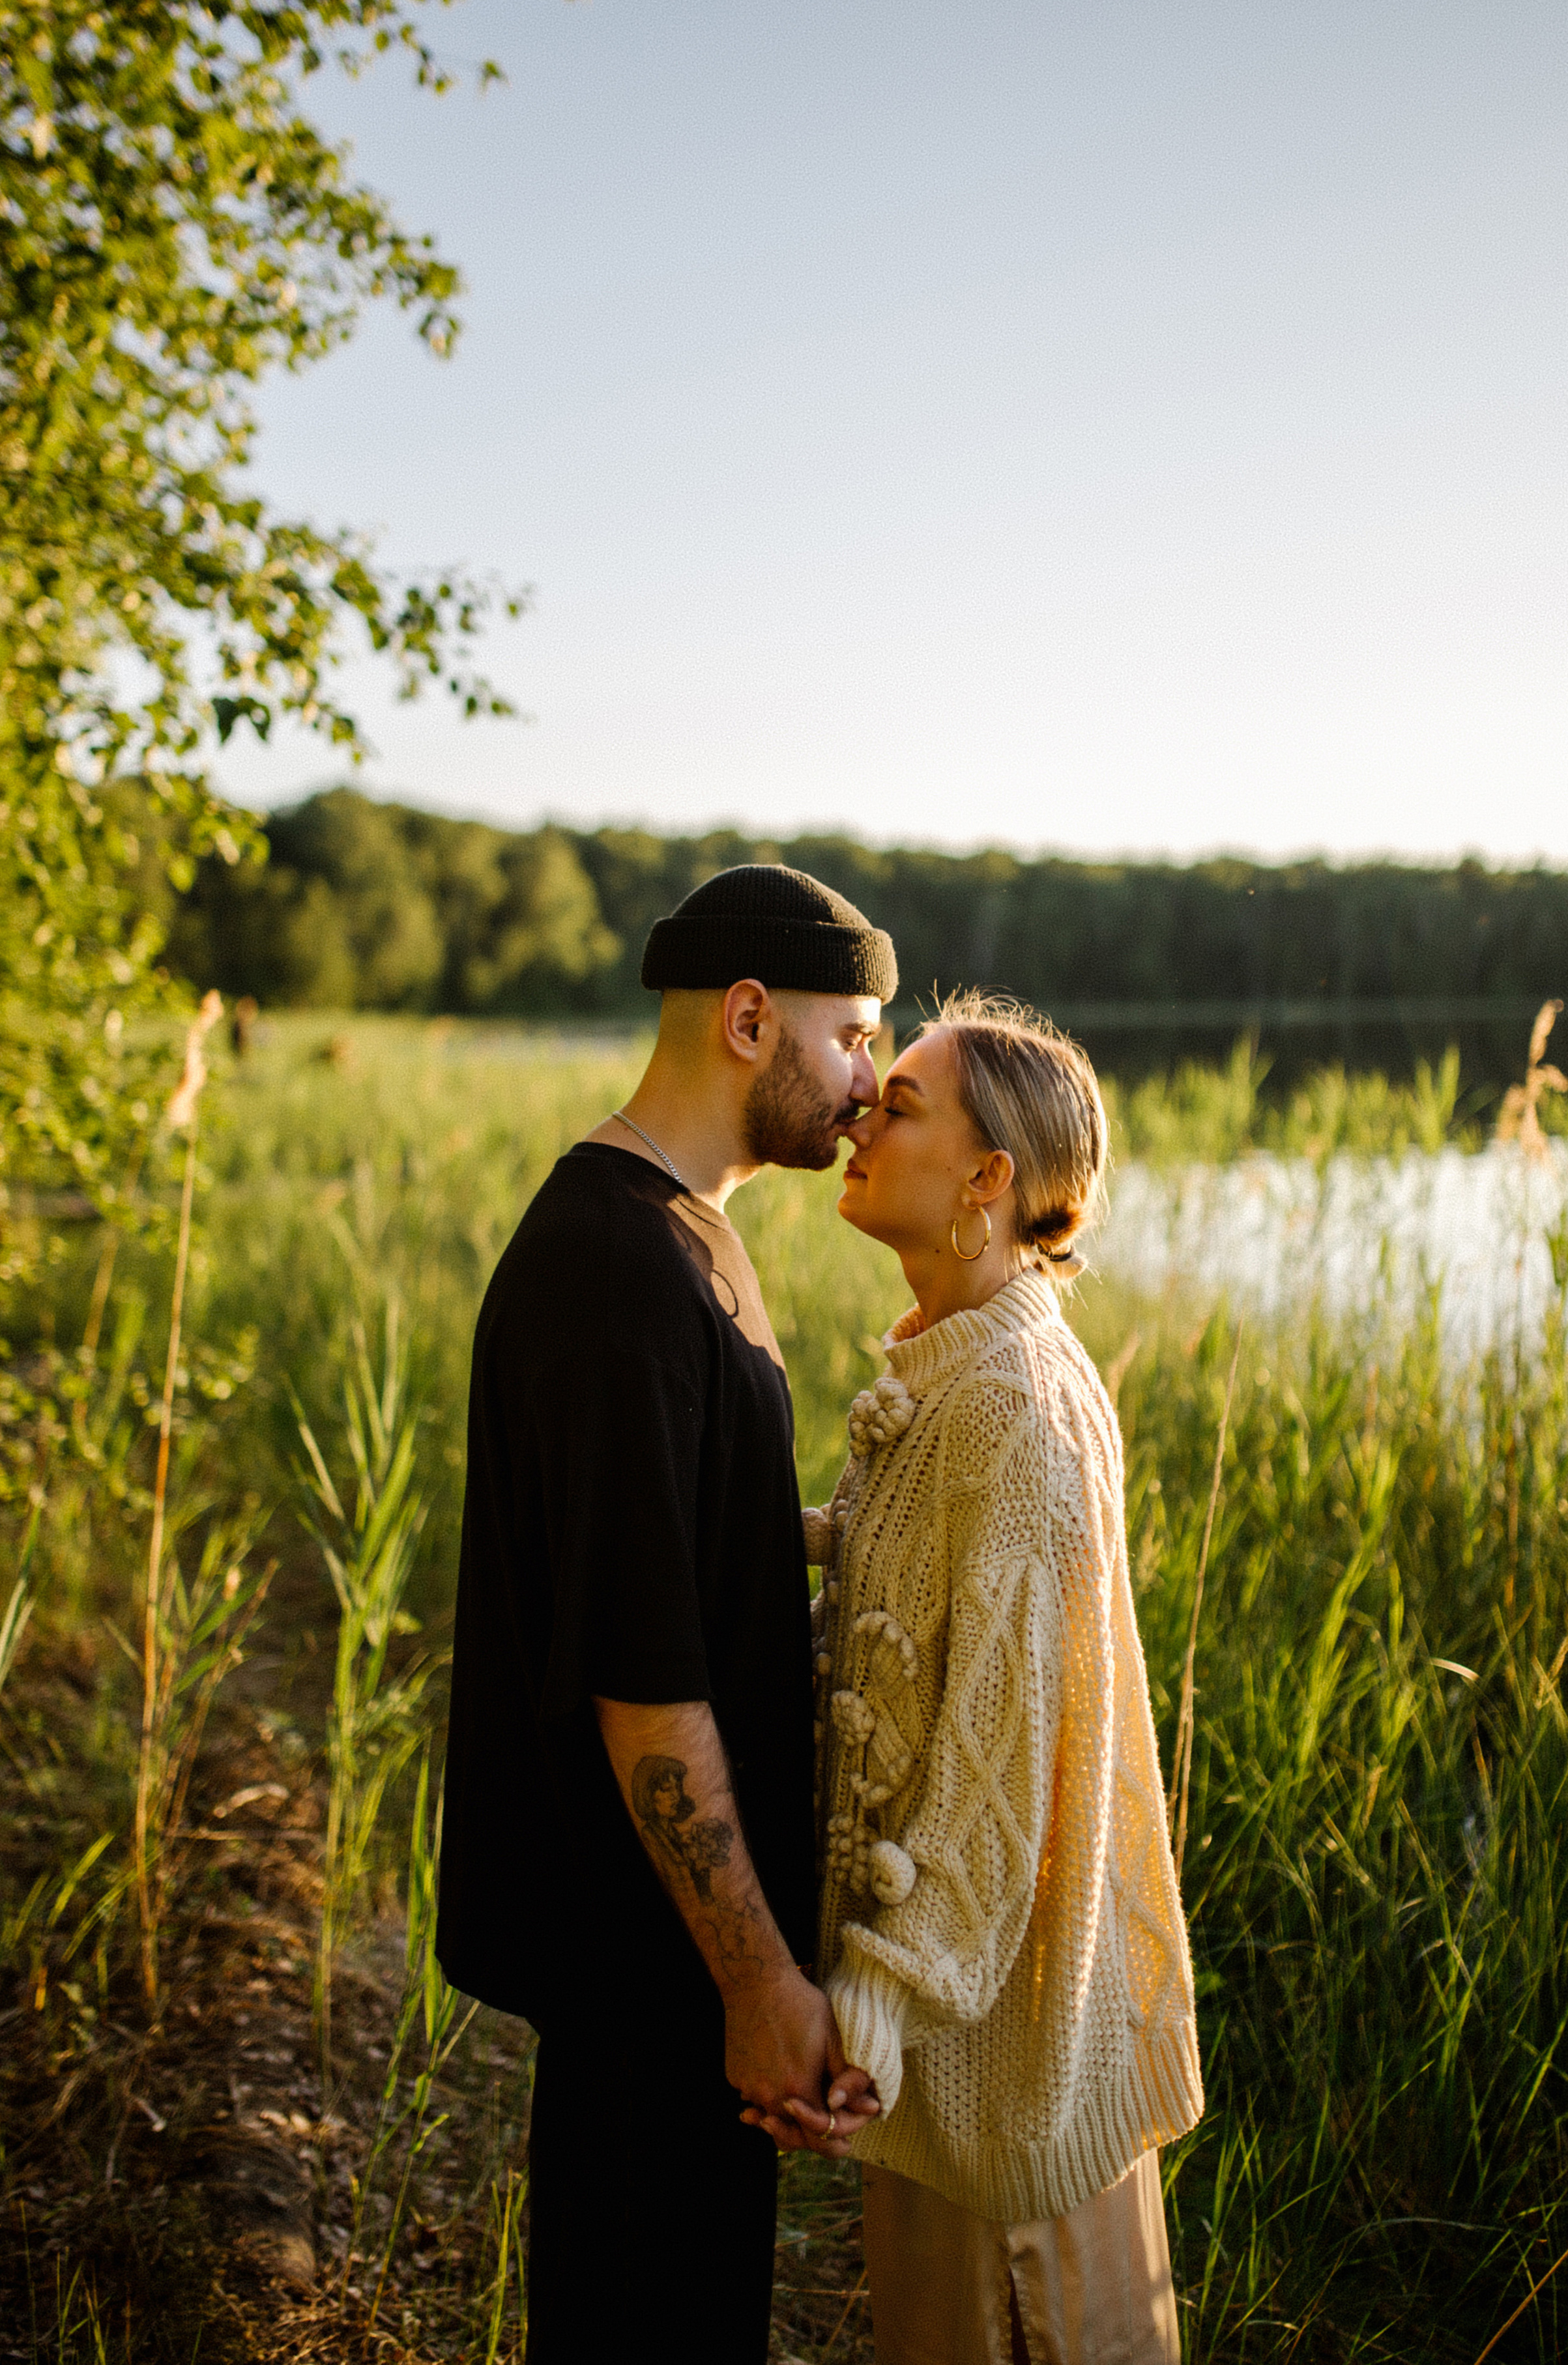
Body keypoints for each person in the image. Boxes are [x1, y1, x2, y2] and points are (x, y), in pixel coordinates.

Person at [437, 863, 894, 2362]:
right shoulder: (616, 1267)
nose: (869, 1086)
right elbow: (642, 1674)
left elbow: (683, 1546)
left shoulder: (686, 1229)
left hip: (670, 1961)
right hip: (651, 1965)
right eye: (851, 1038)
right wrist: (756, 1980)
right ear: (749, 1020)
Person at [751, 993, 1203, 2365]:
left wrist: (876, 2004)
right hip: (954, 2029)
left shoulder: (1016, 1405)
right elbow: (914, 1598)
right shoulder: (953, 1373)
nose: (856, 1123)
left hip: (1005, 2041)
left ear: (988, 1181)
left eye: (898, 1105)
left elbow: (1003, 1756)